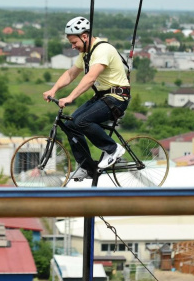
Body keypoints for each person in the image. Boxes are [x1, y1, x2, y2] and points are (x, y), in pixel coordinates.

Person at [43, 17, 131, 180]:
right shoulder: (86, 54)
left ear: (84, 36)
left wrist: (70, 97)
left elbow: (90, 78)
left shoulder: (102, 50)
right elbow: (71, 74)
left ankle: (112, 149)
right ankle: (87, 167)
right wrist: (53, 89)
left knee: (82, 121)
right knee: (70, 124)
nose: (73, 46)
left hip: (117, 98)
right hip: (103, 96)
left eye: (74, 42)